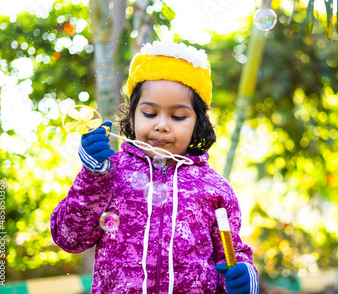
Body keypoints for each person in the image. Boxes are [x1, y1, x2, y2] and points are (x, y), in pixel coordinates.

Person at [50, 41, 259, 294]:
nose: (161, 125)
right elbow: (70, 238)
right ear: (132, 115)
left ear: (198, 123)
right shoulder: (107, 173)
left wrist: (245, 278)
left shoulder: (216, 188)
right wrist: (92, 176)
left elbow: (232, 256)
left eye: (178, 116)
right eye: (149, 113)